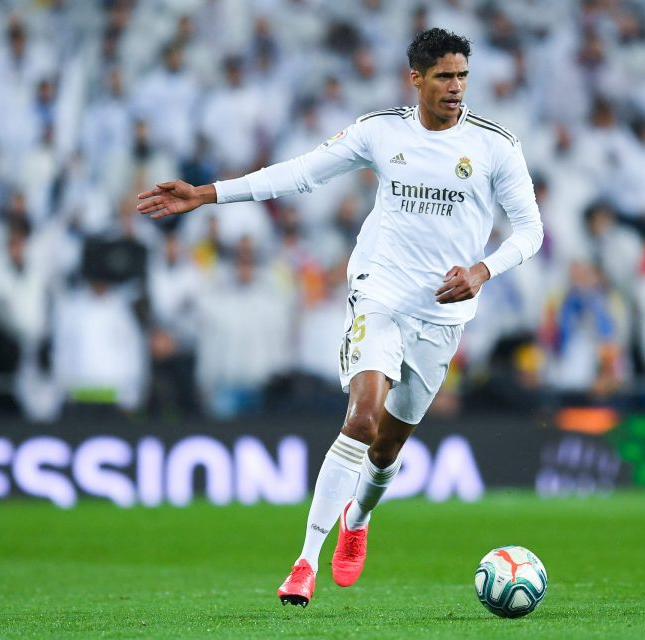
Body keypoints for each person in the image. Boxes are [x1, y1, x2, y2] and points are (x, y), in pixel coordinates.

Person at [136, 29, 543, 607]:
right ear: (417, 79)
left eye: (462, 76)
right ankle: (305, 561)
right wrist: (208, 195)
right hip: (379, 293)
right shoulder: (381, 132)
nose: (456, 88)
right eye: (445, 76)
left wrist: (482, 270)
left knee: (386, 450)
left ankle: (358, 516)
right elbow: (301, 172)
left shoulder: (496, 146)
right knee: (362, 419)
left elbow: (531, 231)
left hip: (442, 314)